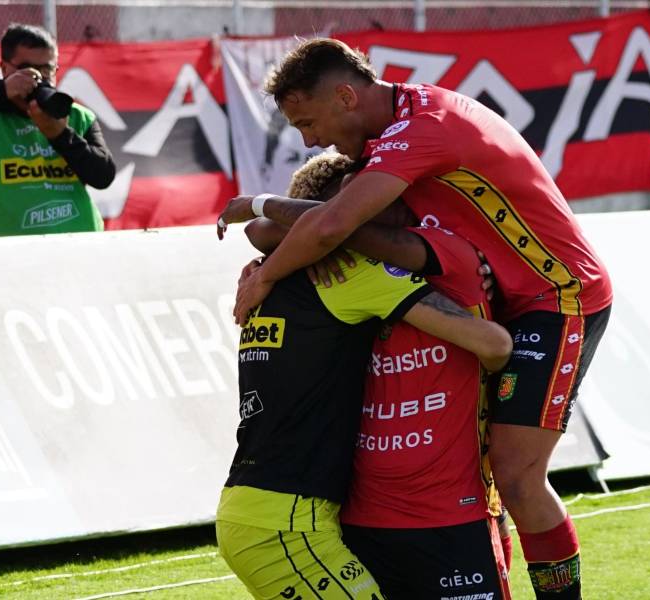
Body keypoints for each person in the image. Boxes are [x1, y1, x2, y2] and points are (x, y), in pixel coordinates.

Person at [222, 39, 613, 600]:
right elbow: (326, 222)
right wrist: (265, 236)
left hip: (557, 297)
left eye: (308, 122)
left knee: (517, 472)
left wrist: (264, 275)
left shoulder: (423, 126)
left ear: (346, 95)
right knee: (482, 466)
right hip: (501, 296)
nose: (310, 141)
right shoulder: (392, 128)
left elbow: (333, 227)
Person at [215, 159, 512, 600]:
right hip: (285, 524)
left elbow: (261, 229)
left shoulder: (276, 275)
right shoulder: (348, 273)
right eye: (369, 197)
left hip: (263, 510)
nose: (393, 205)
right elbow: (494, 345)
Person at [0, 23, 115, 238]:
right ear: (5, 68)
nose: (39, 79)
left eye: (47, 70)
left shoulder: (77, 115)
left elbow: (103, 176)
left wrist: (60, 135)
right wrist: (1, 91)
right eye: (28, 69)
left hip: (76, 246)